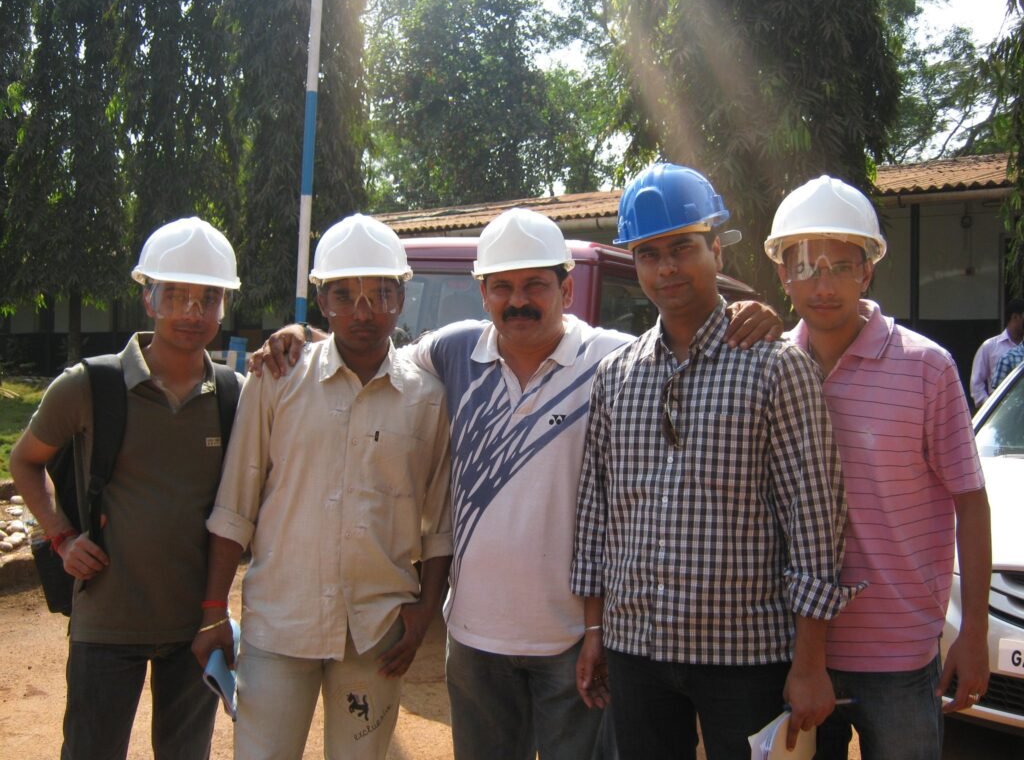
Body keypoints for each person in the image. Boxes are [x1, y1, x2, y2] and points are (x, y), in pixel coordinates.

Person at [250, 206, 784, 759]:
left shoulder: (615, 361)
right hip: (473, 640)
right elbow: (369, 352)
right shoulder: (453, 351)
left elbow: (689, 350)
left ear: (566, 290)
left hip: (572, 640)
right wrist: (302, 334)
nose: (518, 300)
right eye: (502, 287)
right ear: (483, 293)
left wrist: (748, 314)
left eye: (535, 285)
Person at [572, 163, 856, 760]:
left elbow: (814, 521)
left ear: (716, 250)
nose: (667, 268)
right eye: (649, 254)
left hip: (745, 656)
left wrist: (810, 662)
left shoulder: (775, 367)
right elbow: (596, 514)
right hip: (636, 649)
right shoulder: (616, 376)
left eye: (683, 248)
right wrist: (596, 630)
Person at [190, 214, 452, 760]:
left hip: (377, 629)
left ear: (402, 298)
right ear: (322, 301)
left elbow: (438, 521)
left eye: (381, 294)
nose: (364, 311)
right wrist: (214, 610)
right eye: (344, 295)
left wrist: (424, 611)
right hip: (281, 623)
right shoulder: (277, 379)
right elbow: (235, 504)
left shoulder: (427, 398)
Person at [763, 175, 992, 760]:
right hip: (797, 648)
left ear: (867, 271)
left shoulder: (926, 368)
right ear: (783, 274)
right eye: (805, 267)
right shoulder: (771, 369)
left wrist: (973, 632)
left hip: (900, 652)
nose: (823, 285)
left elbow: (970, 502)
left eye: (841, 266)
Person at [9, 217, 243, 760]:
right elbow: (24, 461)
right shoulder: (90, 385)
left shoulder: (235, 396)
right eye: (175, 295)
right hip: (106, 621)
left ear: (224, 306)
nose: (191, 312)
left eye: (207, 298)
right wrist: (62, 536)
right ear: (148, 298)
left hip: (196, 625)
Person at [970, 298, 1024, 407]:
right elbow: (976, 383)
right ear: (1015, 317)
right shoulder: (990, 346)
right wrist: (991, 406)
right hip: (1002, 410)